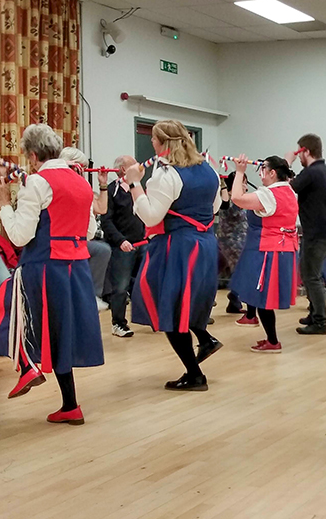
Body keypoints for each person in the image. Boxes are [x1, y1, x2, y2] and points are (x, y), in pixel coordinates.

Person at [0, 124, 104, 425]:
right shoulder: (80, 182)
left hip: (44, 267)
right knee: (60, 334)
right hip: (76, 267)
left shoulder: (37, 183)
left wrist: (3, 206)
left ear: (31, 154)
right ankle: (70, 404)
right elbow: (90, 230)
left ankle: (27, 365)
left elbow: (19, 236)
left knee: (4, 308)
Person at [125, 119, 222, 391]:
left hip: (177, 246)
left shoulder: (165, 175)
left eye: (154, 140)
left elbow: (151, 215)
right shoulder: (209, 171)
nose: (151, 144)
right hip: (204, 243)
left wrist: (135, 185)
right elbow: (214, 207)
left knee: (169, 309)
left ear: (161, 143)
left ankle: (194, 374)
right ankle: (204, 341)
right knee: (185, 304)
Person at [228, 155, 299, 353]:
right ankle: (271, 338)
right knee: (262, 298)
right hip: (283, 249)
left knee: (263, 298)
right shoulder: (290, 192)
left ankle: (273, 341)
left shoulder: (269, 194)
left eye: (263, 170)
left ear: (272, 173)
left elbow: (237, 199)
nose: (260, 174)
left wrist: (240, 171)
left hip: (269, 250)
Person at [285, 134, 326, 335]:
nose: (299, 158)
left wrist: (286, 163)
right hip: (325, 230)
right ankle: (314, 312)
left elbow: (287, 189)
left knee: (311, 276)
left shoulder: (312, 172)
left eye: (299, 153)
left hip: (318, 232)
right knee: (309, 273)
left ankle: (320, 321)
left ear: (305, 151)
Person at [60, 147, 112, 312]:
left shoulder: (82, 187)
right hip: (59, 241)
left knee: (101, 249)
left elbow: (101, 208)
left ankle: (92, 295)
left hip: (78, 239)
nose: (81, 174)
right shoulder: (56, 185)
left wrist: (103, 185)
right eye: (78, 169)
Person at [100, 155, 145, 338]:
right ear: (124, 169)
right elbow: (106, 221)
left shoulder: (140, 189)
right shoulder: (112, 191)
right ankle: (118, 323)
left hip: (142, 243)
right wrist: (121, 241)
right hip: (123, 246)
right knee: (121, 286)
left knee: (143, 283)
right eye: (134, 164)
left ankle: (149, 318)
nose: (139, 166)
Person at [216, 171, 249, 314]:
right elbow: (233, 212)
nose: (246, 186)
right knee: (242, 273)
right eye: (243, 182)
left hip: (233, 242)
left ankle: (234, 301)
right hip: (232, 243)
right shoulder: (230, 199)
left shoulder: (236, 198)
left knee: (234, 273)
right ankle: (236, 299)